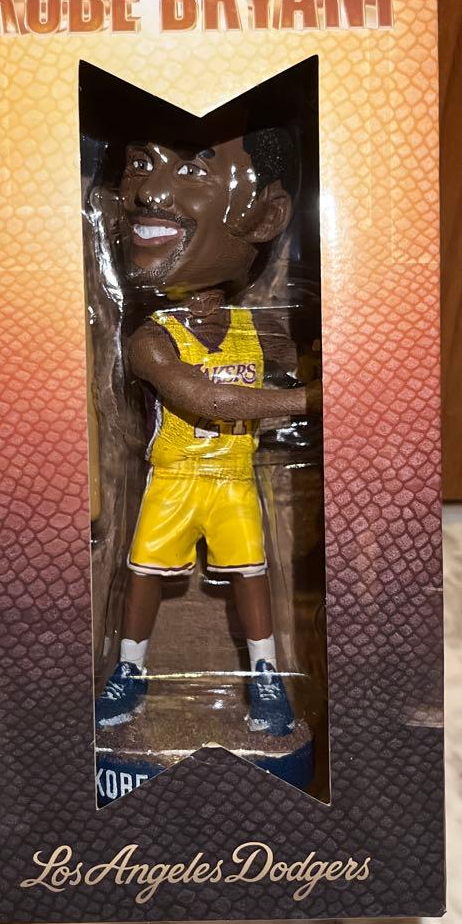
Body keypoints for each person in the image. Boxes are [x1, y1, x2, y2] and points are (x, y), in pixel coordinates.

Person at [94, 128, 321, 736]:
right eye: (140, 165)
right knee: (143, 574)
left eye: (194, 172)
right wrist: (309, 400)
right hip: (174, 478)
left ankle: (266, 673)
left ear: (267, 218)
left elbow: (303, 356)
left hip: (233, 480)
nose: (150, 193)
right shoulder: (153, 337)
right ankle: (130, 668)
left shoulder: (256, 329)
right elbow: (202, 396)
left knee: (252, 575)